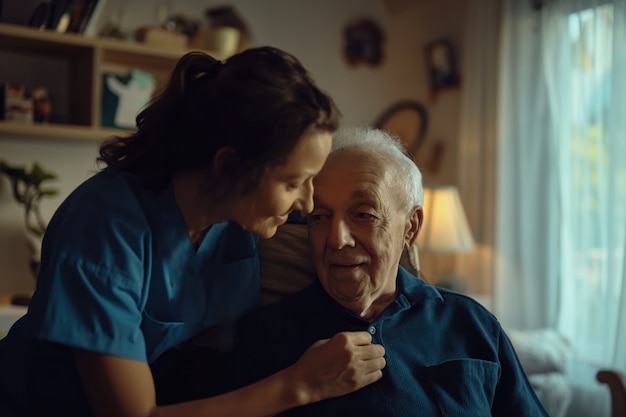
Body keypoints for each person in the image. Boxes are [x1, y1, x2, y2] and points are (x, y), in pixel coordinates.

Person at [0, 48, 386, 417]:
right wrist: (302, 385)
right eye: (292, 183)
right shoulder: (105, 229)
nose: (306, 203)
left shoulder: (238, 212)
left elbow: (348, 229)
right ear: (228, 166)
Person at [230, 126, 550, 416]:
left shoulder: (472, 324)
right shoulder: (265, 336)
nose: (337, 240)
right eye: (320, 217)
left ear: (410, 228)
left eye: (363, 214)